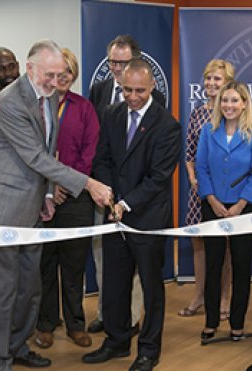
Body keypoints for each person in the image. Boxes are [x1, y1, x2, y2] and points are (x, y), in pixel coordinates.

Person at [0, 39, 112, 370]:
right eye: (49, 75)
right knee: (4, 292)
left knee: (30, 289)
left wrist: (49, 194)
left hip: (35, 206)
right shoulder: (10, 103)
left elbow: (48, 154)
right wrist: (89, 183)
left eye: (60, 75)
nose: (55, 83)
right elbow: (35, 156)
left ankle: (18, 348)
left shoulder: (47, 98)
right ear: (30, 68)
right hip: (5, 208)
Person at [83, 59, 181, 371]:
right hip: (114, 215)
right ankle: (116, 341)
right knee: (113, 283)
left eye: (140, 90)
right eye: (127, 90)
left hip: (147, 219)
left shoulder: (167, 124)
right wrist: (108, 194)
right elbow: (102, 159)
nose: (133, 96)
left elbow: (158, 177)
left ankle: (149, 351)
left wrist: (126, 203)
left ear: (152, 87)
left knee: (151, 288)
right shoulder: (111, 114)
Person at [87, 33, 165, 335]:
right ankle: (111, 325)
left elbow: (154, 168)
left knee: (141, 273)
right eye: (112, 63)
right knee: (109, 266)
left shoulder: (158, 108)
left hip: (140, 205)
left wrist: (126, 200)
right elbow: (100, 150)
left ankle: (136, 327)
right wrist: (106, 192)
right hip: (106, 197)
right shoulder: (102, 96)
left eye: (122, 62)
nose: (117, 68)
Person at [34, 48, 99, 350]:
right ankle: (46, 324)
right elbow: (32, 153)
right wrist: (49, 186)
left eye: (66, 73)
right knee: (45, 264)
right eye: (55, 74)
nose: (60, 79)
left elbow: (89, 154)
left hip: (75, 198)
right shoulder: (36, 107)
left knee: (74, 266)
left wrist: (65, 184)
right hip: (41, 197)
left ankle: (76, 324)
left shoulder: (84, 107)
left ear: (73, 76)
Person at [196, 80, 252, 342]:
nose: (229, 105)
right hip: (212, 205)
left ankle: (237, 324)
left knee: (241, 266)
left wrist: (239, 205)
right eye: (225, 100)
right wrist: (212, 201)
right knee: (213, 266)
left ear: (245, 103)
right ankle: (211, 322)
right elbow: (201, 168)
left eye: (234, 100)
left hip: (243, 208)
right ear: (218, 103)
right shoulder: (207, 131)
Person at [179, 59, 235, 320]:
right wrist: (192, 177)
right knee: (199, 243)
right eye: (208, 78)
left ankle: (224, 297)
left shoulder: (232, 112)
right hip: (199, 190)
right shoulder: (197, 113)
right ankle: (199, 295)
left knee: (224, 244)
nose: (211, 83)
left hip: (225, 190)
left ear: (228, 84)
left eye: (218, 79)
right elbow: (189, 152)